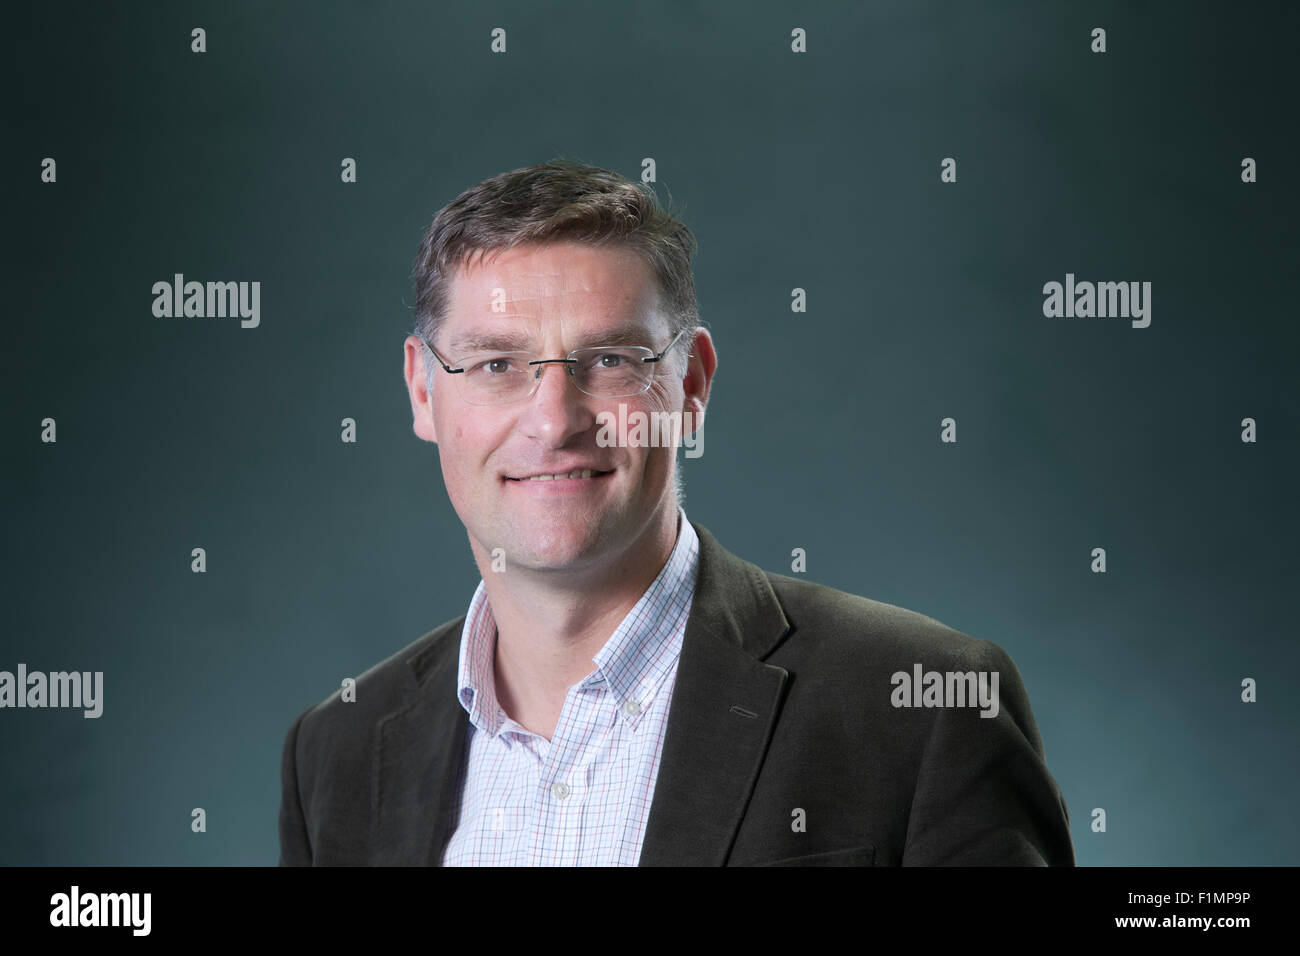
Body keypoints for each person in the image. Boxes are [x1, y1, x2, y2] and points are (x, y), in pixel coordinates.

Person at [277, 159, 1075, 866]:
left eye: (611, 361)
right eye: (496, 364)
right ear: (423, 389)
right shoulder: (337, 754)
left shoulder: (923, 705)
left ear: (691, 385)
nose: (555, 422)